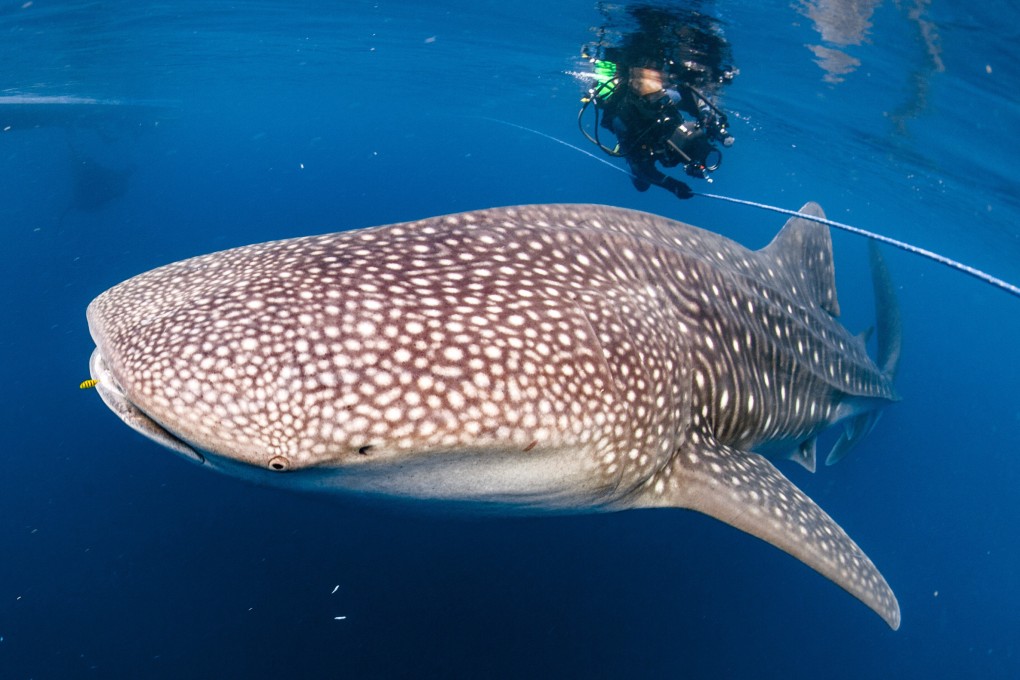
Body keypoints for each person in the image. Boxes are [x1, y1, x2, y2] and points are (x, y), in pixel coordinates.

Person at [578, 5, 737, 200]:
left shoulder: (663, 98)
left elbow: (690, 98)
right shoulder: (625, 120)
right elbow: (642, 168)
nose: (653, 92)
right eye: (646, 88)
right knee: (641, 182)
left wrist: (706, 115)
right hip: (634, 134)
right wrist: (671, 185)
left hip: (657, 135)